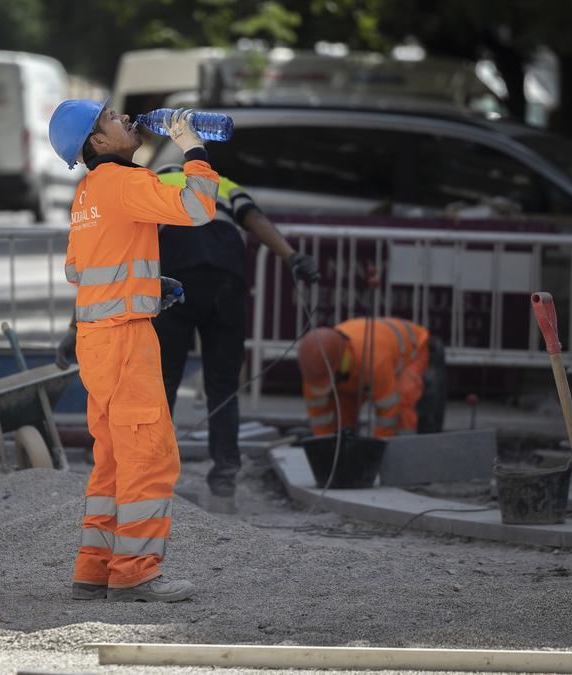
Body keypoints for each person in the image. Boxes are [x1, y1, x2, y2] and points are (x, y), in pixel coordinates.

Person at [48, 100, 218, 603]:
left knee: (114, 462)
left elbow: (80, 270)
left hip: (96, 340)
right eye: (110, 120)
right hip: (125, 339)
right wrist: (193, 149)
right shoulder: (128, 181)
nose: (125, 119)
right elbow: (198, 206)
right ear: (98, 144)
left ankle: (94, 568)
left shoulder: (86, 194)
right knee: (148, 456)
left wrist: (144, 281)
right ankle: (136, 572)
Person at [150, 165, 319, 513]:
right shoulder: (222, 183)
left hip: (175, 275)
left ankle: (154, 481)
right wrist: (292, 257)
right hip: (227, 278)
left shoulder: (153, 181)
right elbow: (254, 218)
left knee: (162, 382)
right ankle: (224, 482)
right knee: (223, 386)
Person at [297, 318, 445, 439]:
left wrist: (376, 453)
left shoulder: (373, 361)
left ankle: (407, 451)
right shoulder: (315, 367)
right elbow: (319, 418)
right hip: (363, 361)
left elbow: (388, 413)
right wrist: (325, 449)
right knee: (342, 405)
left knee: (404, 399)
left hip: (414, 350)